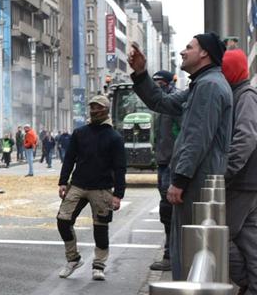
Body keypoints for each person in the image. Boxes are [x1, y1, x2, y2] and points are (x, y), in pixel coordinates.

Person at [132, 36, 234, 261]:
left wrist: (179, 180)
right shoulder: (201, 84)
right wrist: (141, 74)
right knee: (190, 248)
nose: (182, 52)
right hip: (197, 179)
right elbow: (162, 103)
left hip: (197, 182)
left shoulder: (209, 86)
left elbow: (196, 137)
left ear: (205, 53)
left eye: (189, 47)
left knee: (189, 250)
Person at [56, 97, 128, 280]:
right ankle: (73, 259)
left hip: (102, 189)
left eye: (98, 107)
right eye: (92, 107)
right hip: (78, 185)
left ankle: (99, 265)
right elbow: (70, 158)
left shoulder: (115, 137)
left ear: (106, 110)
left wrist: (118, 195)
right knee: (63, 220)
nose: (94, 111)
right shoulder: (80, 133)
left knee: (101, 228)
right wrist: (63, 182)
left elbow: (120, 168)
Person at [223, 49, 257, 295]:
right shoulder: (243, 95)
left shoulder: (245, 97)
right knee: (249, 240)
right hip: (249, 180)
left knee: (220, 233)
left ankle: (248, 288)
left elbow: (245, 137)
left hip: (244, 180)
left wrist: (226, 172)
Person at [149, 69, 181, 271]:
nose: (157, 85)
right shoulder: (161, 105)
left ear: (169, 83)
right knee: (166, 209)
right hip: (163, 161)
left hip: (172, 162)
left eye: (160, 82)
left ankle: (171, 255)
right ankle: (171, 254)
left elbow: (182, 134)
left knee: (170, 209)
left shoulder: (175, 102)